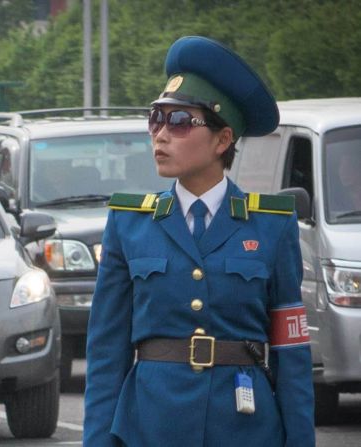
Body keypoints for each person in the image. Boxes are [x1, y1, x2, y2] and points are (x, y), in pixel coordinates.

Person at [84, 36, 315, 447]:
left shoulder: (271, 227)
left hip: (244, 428)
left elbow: (291, 356)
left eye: (180, 122)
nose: (161, 134)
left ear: (223, 140)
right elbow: (106, 354)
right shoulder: (128, 224)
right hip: (151, 426)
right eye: (156, 118)